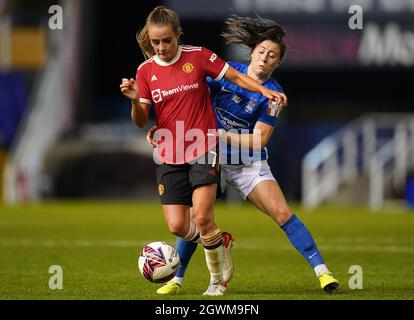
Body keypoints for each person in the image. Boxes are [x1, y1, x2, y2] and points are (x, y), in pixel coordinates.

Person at [149, 14, 339, 295]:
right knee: (198, 218)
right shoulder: (227, 74)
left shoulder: (274, 95)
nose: (265, 57)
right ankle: (177, 279)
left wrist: (221, 134)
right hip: (208, 154)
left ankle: (323, 272)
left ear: (278, 62)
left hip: (246, 162)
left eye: (272, 55)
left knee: (282, 212)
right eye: (261, 51)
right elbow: (188, 99)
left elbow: (259, 139)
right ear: (252, 52)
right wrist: (163, 127)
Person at [120, 6, 288, 296]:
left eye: (167, 41)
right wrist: (136, 100)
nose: (161, 47)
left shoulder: (198, 56)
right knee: (177, 226)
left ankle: (215, 282)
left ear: (177, 36)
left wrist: (264, 92)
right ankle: (218, 241)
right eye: (155, 42)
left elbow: (234, 77)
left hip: (203, 144)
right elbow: (140, 121)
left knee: (203, 217)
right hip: (168, 151)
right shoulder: (145, 71)